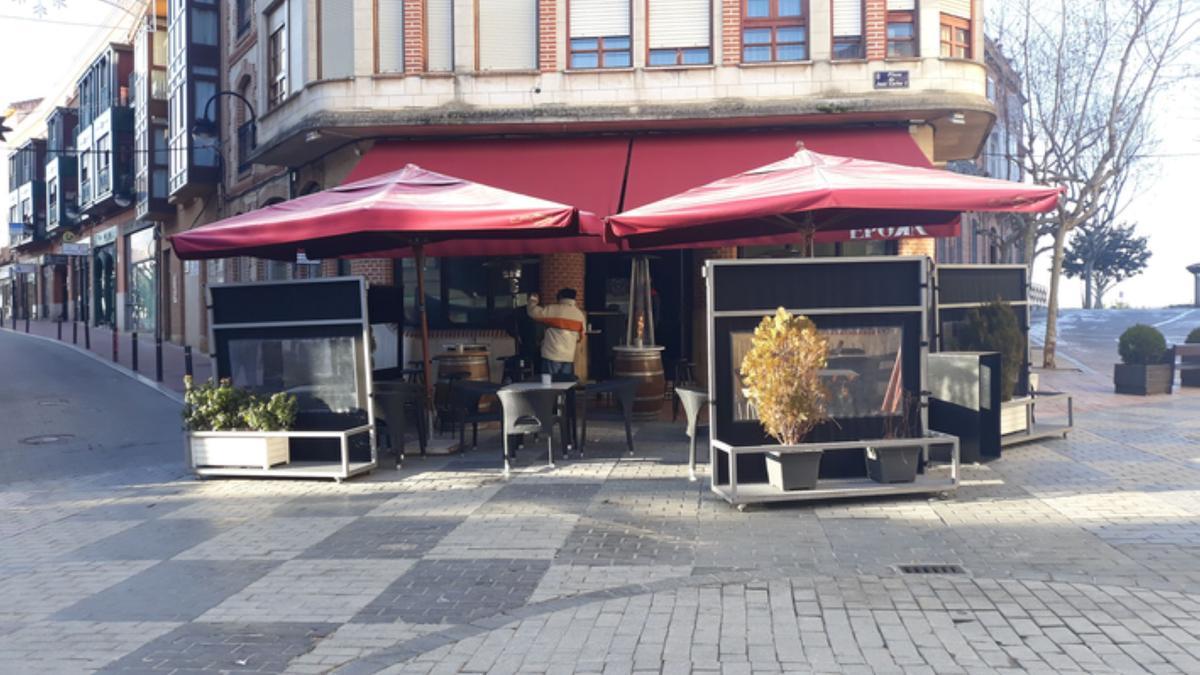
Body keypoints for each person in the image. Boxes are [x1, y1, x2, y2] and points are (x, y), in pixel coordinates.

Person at [527, 288, 585, 376]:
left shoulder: (553, 310)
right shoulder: (579, 315)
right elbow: (580, 336)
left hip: (552, 355)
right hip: (569, 356)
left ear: (561, 296)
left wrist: (532, 301)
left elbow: (533, 313)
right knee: (564, 385)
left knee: (549, 385)